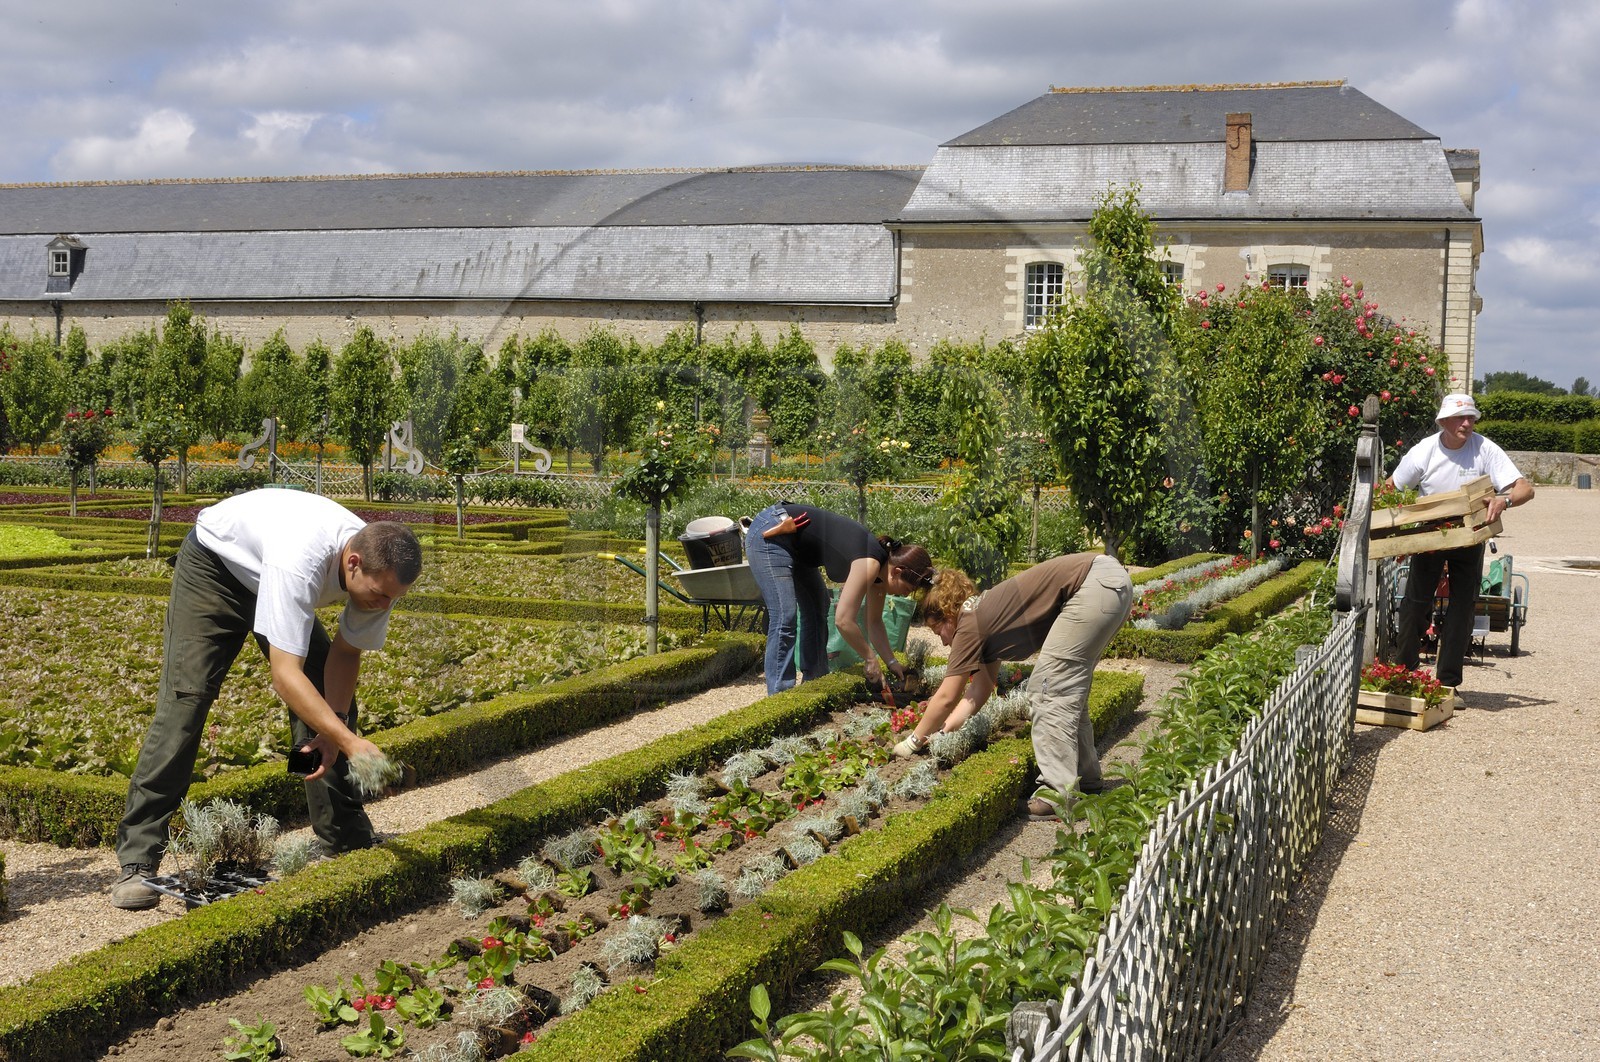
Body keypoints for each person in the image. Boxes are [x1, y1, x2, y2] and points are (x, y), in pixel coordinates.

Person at [109, 489, 423, 910]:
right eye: (380, 594)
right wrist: (350, 742)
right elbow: (284, 676)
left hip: (268, 575)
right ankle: (138, 858)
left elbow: (345, 655)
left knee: (327, 702)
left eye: (393, 598)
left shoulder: (380, 572)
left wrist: (334, 729)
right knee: (188, 701)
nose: (384, 604)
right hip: (215, 569)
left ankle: (342, 833)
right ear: (353, 563)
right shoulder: (302, 562)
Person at [894, 553, 1133, 821]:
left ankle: (1057, 796)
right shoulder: (982, 616)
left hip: (1093, 586)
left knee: (1047, 689)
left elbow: (948, 696)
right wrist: (945, 729)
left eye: (939, 633)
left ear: (948, 616)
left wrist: (913, 741)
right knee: (1064, 691)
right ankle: (1086, 781)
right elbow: (979, 691)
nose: (944, 643)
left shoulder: (968, 623)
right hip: (1108, 583)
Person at [1388, 392, 1533, 692]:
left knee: (1463, 607)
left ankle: (1447, 684)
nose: (1467, 423)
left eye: (1471, 417)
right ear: (1444, 421)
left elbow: (1525, 489)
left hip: (1470, 533)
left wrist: (1503, 500)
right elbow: (1391, 488)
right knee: (1415, 604)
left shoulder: (1485, 450)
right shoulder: (1424, 451)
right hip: (1430, 532)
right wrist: (1394, 536)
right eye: (1461, 417)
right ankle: (1404, 675)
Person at [744, 502, 933, 695]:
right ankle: (780, 696)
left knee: (818, 606)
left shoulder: (880, 575)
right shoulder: (871, 563)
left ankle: (814, 684)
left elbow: (874, 622)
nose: (906, 595)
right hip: (772, 533)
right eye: (908, 588)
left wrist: (892, 663)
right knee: (785, 615)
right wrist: (870, 658)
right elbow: (843, 620)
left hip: (797, 549)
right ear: (897, 572)